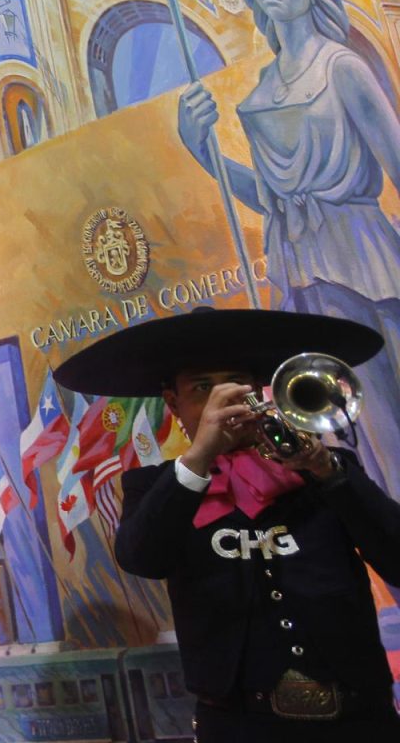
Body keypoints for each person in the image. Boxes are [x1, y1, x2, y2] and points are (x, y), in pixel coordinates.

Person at [55, 306, 400, 742]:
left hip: (358, 720)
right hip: (237, 725)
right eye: (202, 388)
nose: (225, 400)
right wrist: (198, 456)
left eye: (236, 384)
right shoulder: (157, 486)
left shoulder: (327, 470)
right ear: (173, 403)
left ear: (258, 391)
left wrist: (328, 470)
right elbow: (141, 557)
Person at [176, 0, 400, 497]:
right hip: (298, 274)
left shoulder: (343, 69)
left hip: (362, 270)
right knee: (330, 448)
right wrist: (207, 154)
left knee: (385, 426)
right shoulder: (264, 90)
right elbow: (271, 201)